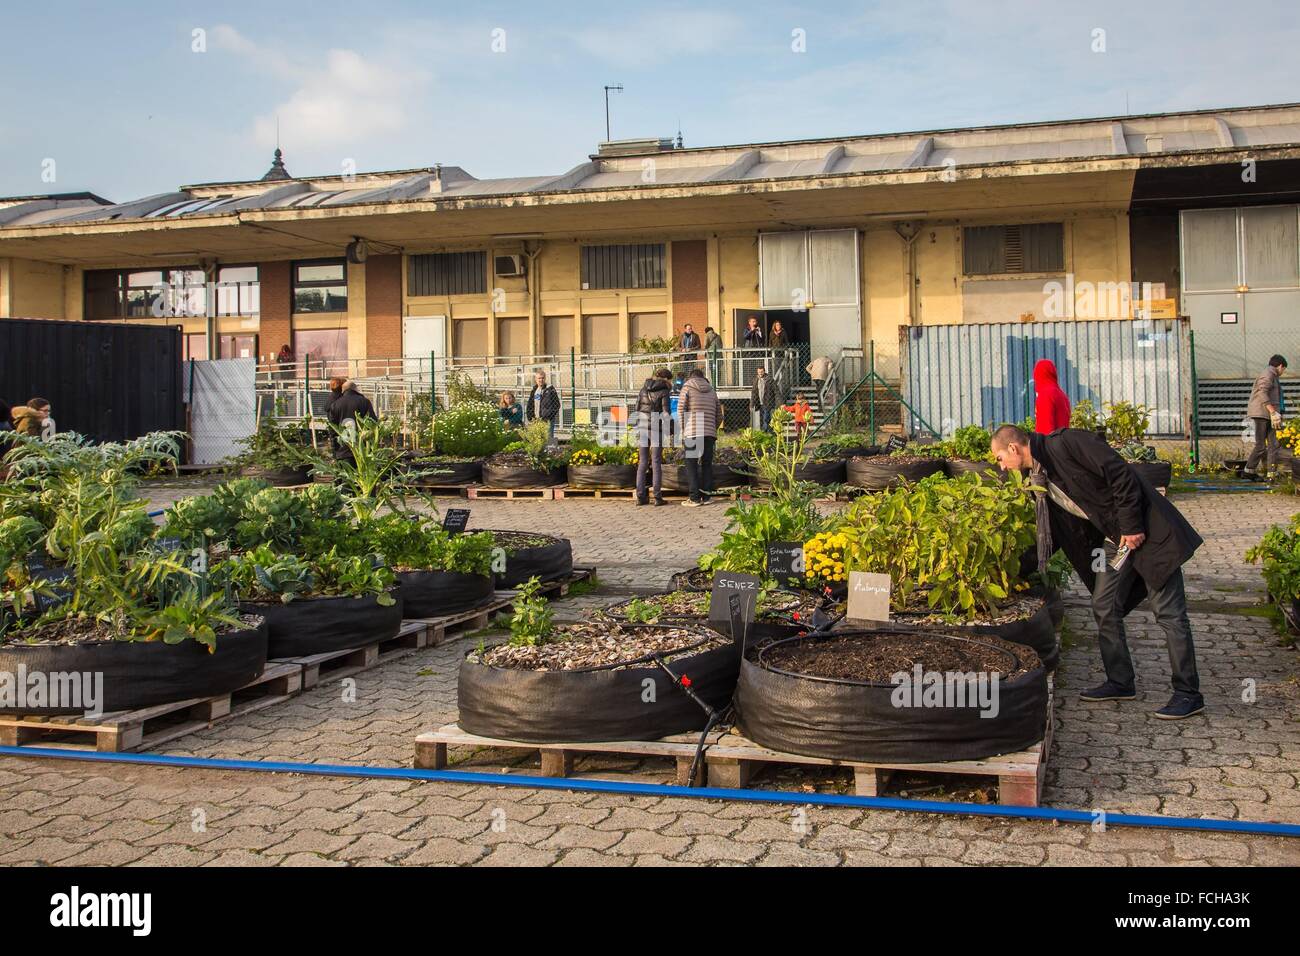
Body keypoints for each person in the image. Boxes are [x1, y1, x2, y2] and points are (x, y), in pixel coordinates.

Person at [990, 423, 1205, 719]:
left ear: (1013, 448)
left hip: (1149, 530)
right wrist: (1012, 571)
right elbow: (1056, 533)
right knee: (1104, 605)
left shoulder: (1066, 443)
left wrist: (1132, 526)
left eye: (1000, 458)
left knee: (1168, 613)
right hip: (1115, 540)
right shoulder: (1037, 481)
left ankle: (1188, 693)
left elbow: (1120, 474)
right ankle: (1120, 681)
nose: (1001, 467)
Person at [678, 368, 722, 507]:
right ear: (703, 377)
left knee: (691, 465)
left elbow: (681, 410)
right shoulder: (712, 390)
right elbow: (719, 415)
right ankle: (707, 497)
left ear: (691, 377)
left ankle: (694, 498)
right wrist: (712, 428)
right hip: (709, 433)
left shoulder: (687, 388)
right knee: (707, 464)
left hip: (693, 431)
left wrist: (684, 429)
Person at [1243, 354, 1287, 480]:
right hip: (1262, 414)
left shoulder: (1272, 375)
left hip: (1269, 415)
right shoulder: (1268, 374)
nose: (1283, 372)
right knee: (1261, 445)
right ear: (1280, 366)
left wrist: (1275, 413)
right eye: (1284, 369)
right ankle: (1249, 471)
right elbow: (1262, 392)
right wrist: (1273, 411)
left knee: (1274, 444)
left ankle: (1271, 474)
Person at [634, 368, 672, 506]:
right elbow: (666, 413)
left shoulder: (643, 389)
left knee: (642, 462)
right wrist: (671, 429)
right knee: (656, 462)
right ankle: (657, 497)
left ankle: (640, 497)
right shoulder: (664, 391)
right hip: (656, 429)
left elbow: (637, 408)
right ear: (666, 379)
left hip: (643, 427)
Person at [326, 378, 375, 461]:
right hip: (362, 449)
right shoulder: (364, 401)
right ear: (355, 389)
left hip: (343, 449)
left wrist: (335, 451)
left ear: (343, 390)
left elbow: (333, 428)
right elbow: (372, 422)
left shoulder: (335, 404)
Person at [1033, 359, 1071, 434]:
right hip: (1062, 439)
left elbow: (1045, 429)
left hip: (1051, 440)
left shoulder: (1045, 394)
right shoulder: (1061, 394)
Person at [526, 370, 561, 441]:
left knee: (548, 439)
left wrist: (550, 416)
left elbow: (557, 404)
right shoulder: (534, 390)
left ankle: (549, 448)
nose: (541, 380)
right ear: (536, 379)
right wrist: (530, 417)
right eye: (539, 378)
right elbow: (530, 404)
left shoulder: (550, 389)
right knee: (537, 439)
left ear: (545, 378)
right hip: (536, 419)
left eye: (542, 378)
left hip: (547, 420)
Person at [750, 366, 777, 431]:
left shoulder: (769, 379)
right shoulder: (756, 380)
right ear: (757, 372)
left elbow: (776, 391)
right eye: (759, 372)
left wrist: (780, 402)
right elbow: (753, 393)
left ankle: (765, 431)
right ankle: (767, 431)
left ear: (764, 371)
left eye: (761, 372)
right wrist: (751, 404)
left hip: (767, 402)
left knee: (766, 418)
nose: (760, 373)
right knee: (763, 418)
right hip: (759, 402)